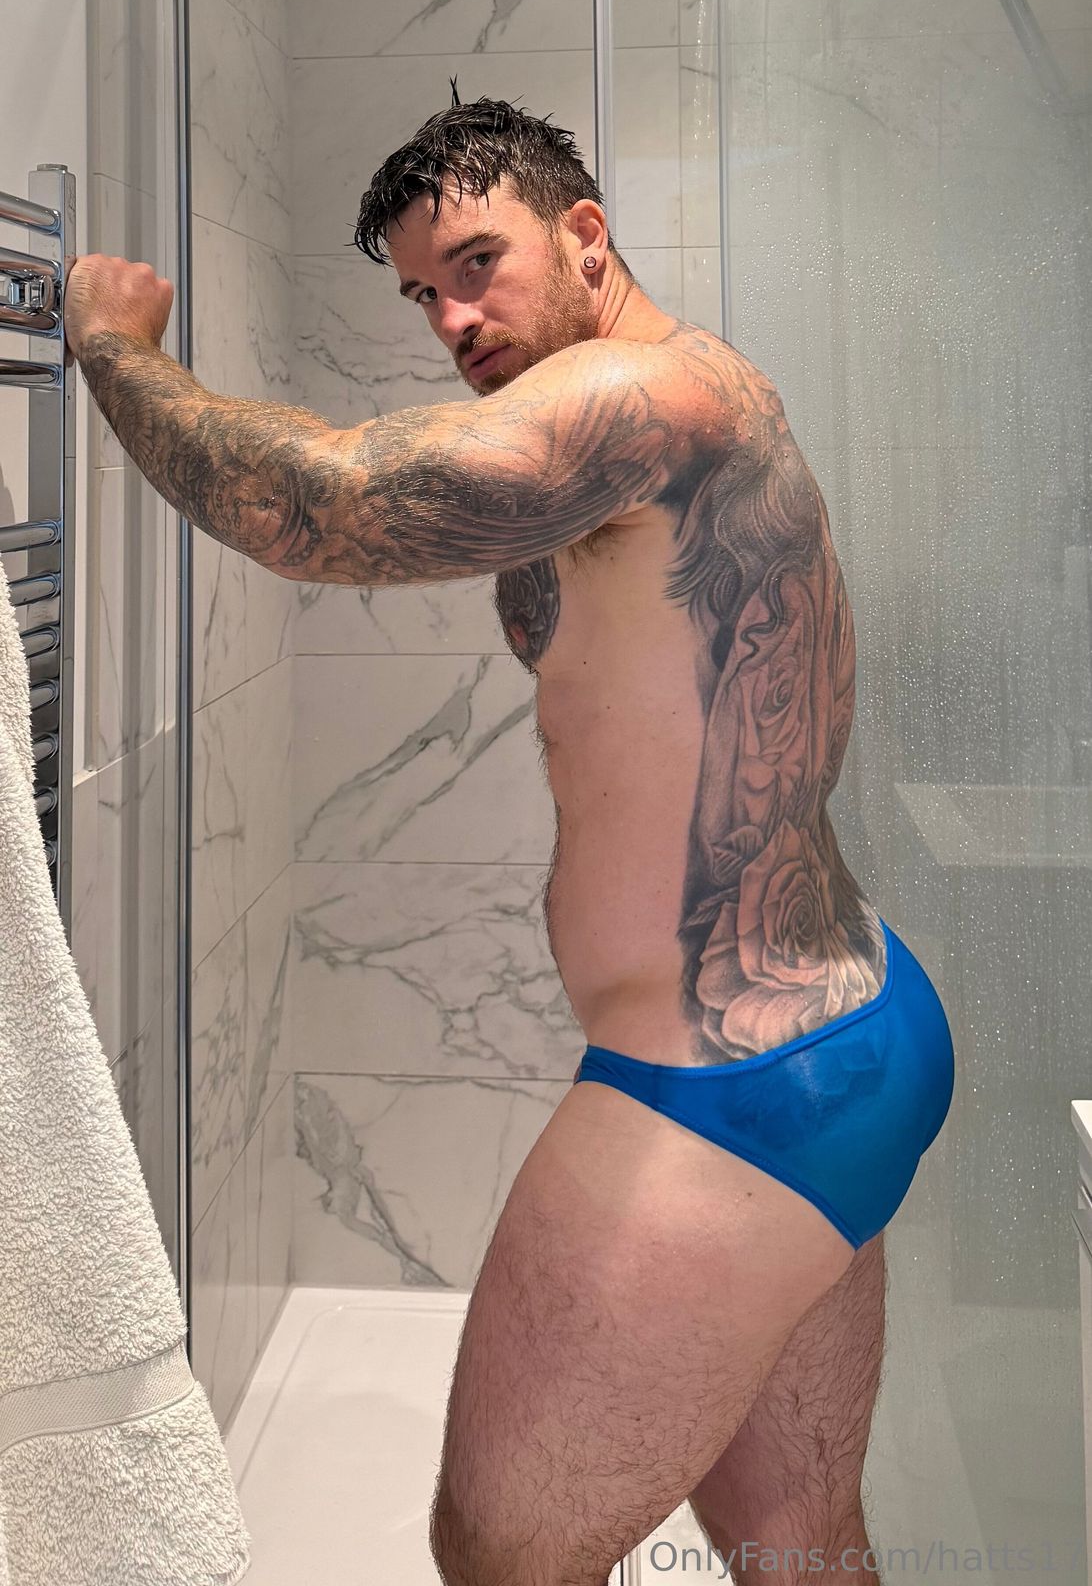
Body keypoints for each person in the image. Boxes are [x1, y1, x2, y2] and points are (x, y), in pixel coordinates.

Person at [63, 92, 954, 1586]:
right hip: (843, 1031)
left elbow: (322, 503)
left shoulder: (648, 397)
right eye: (425, 293)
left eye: (479, 265)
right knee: (796, 1541)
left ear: (585, 234)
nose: (454, 319)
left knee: (501, 1556)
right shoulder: (652, 425)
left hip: (732, 1085)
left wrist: (115, 349)